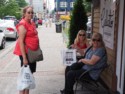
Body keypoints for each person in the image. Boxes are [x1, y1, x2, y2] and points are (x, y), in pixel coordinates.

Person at [13, 6, 39, 94]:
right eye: (29, 12)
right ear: (24, 14)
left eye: (32, 12)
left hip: (31, 53)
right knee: (25, 78)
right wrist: (24, 58)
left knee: (29, 77)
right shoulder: (22, 24)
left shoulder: (31, 23)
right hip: (26, 53)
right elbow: (21, 42)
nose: (31, 14)